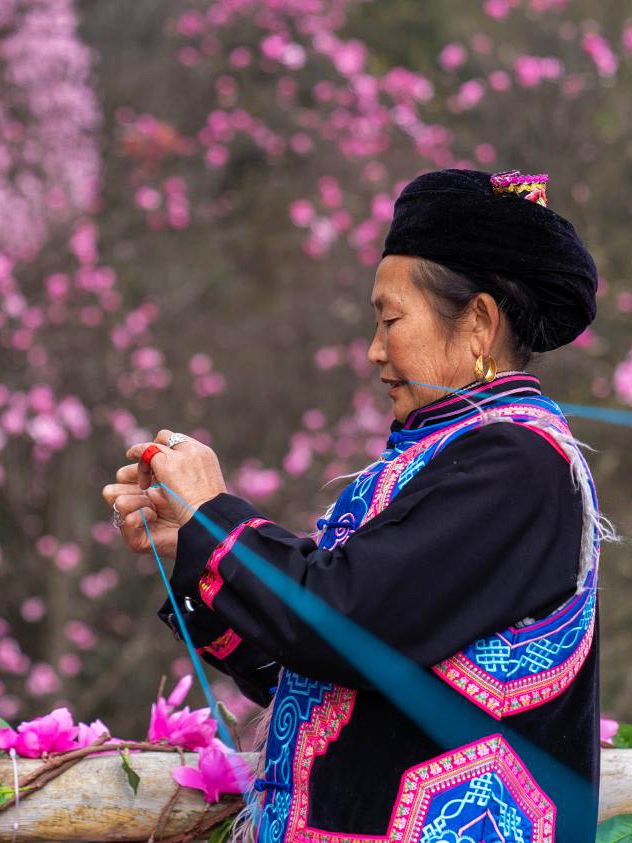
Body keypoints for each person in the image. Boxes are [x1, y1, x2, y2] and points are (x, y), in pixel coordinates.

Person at [104, 169, 617, 843]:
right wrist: (189, 548)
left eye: (391, 319)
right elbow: (308, 673)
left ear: (480, 324)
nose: (376, 350)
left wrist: (215, 517)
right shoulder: (440, 462)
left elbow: (344, 621)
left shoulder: (519, 465)